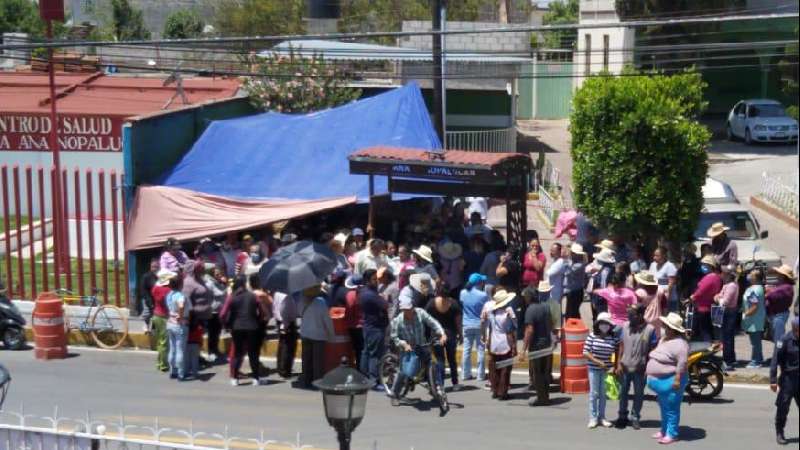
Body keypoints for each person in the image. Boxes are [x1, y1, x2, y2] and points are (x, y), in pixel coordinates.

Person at [389, 292, 447, 406]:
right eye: (406, 309)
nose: (409, 311)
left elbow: (433, 322)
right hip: (407, 349)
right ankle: (394, 394)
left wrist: (442, 333)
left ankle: (434, 390)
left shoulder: (420, 313)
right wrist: (404, 344)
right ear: (402, 310)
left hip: (422, 345)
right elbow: (394, 337)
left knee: (431, 364)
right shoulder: (398, 321)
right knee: (403, 372)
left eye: (410, 308)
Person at [646, 313, 690, 445]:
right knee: (664, 407)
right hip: (660, 381)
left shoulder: (681, 345)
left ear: (673, 329)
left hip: (672, 380)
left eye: (667, 326)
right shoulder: (664, 339)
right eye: (665, 325)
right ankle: (664, 430)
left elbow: (681, 364)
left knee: (671, 409)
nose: (664, 328)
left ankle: (672, 434)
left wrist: (677, 380)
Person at [615, 304, 657, 430]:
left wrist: (649, 368)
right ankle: (622, 416)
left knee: (639, 394)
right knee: (623, 393)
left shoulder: (650, 329)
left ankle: (635, 417)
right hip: (625, 367)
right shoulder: (625, 326)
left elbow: (653, 351)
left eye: (631, 315)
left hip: (640, 369)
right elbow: (621, 346)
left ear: (639, 315)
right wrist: (618, 364)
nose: (629, 317)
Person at [583, 312, 620, 428]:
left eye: (607, 323)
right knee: (594, 394)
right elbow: (585, 352)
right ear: (598, 324)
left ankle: (602, 417)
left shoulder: (613, 337)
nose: (605, 325)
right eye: (603, 323)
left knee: (603, 395)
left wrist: (614, 366)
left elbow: (617, 352)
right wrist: (598, 362)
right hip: (594, 369)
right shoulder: (592, 336)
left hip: (607, 370)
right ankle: (593, 418)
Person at [520, 283, 553, 406]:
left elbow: (529, 330)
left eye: (525, 297)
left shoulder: (530, 310)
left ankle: (541, 398)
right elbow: (550, 324)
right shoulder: (545, 307)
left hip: (537, 346)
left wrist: (523, 349)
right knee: (545, 372)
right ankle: (546, 396)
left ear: (529, 297)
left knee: (537, 373)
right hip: (547, 344)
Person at [483, 289, 517, 400]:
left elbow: (487, 326)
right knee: (505, 369)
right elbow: (511, 329)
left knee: (494, 368)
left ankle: (495, 390)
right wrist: (514, 345)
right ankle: (503, 392)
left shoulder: (492, 313)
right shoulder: (507, 313)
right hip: (505, 342)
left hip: (494, 342)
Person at [298, 284, 335, 389]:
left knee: (306, 360)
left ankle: (306, 381)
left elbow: (299, 313)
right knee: (318, 361)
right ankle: (317, 382)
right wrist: (331, 335)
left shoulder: (302, 301)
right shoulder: (321, 302)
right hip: (318, 335)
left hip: (305, 333)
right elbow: (327, 320)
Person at [426, 290, 462, 391]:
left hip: (436, 334)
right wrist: (461, 334)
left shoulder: (432, 303)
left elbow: (426, 318)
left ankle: (440, 384)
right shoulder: (454, 303)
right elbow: (458, 321)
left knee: (439, 360)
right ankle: (455, 383)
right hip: (450, 334)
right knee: (452, 360)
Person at [770, 317, 799, 445]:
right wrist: (773, 380)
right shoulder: (784, 340)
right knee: (783, 407)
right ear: (795, 329)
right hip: (788, 379)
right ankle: (780, 432)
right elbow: (775, 360)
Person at [359, 269, 389, 386]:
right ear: (367, 281)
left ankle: (364, 377)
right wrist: (383, 298)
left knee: (366, 352)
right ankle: (373, 380)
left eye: (377, 279)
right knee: (374, 355)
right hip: (375, 328)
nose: (377, 281)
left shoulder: (365, 292)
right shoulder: (370, 295)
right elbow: (385, 304)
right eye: (374, 279)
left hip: (369, 326)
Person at [460, 273, 489, 382]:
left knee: (466, 350)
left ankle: (465, 374)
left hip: (466, 324)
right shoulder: (483, 295)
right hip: (479, 325)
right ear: (479, 283)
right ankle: (480, 375)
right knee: (480, 350)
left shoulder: (463, 293)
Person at [689, 255, 723, 342]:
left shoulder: (710, 277)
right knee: (707, 330)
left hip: (702, 307)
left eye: (704, 265)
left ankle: (706, 348)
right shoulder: (717, 277)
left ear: (710, 266)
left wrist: (692, 297)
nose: (702, 266)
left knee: (704, 331)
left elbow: (701, 291)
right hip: (709, 306)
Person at [766, 265, 796, 357]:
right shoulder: (782, 285)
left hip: (779, 316)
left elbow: (771, 295)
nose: (777, 275)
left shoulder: (786, 287)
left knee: (779, 339)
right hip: (776, 315)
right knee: (777, 338)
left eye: (778, 274)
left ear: (783, 276)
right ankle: (779, 355)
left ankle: (778, 357)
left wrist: (768, 291)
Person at [165, 272, 190, 381]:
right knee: (180, 349)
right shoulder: (180, 295)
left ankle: (172, 371)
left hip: (170, 322)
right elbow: (181, 305)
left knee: (172, 348)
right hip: (179, 324)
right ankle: (180, 373)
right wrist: (180, 315)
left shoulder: (169, 295)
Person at [715, 266, 739, 368]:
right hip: (727, 312)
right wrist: (718, 297)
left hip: (729, 312)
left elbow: (724, 301)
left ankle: (728, 361)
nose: (721, 275)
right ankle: (731, 359)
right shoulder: (727, 285)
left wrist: (718, 298)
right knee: (727, 336)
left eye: (723, 273)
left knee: (727, 337)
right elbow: (718, 296)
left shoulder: (732, 286)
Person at [741, 270, 766, 368]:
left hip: (753, 320)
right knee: (756, 341)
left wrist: (745, 314)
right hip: (757, 319)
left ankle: (756, 361)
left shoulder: (753, 290)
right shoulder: (759, 288)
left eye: (751, 274)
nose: (748, 276)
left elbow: (754, 305)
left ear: (755, 278)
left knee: (755, 342)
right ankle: (759, 358)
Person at [202, 266, 227, 363]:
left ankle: (216, 350)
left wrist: (224, 283)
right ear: (212, 274)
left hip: (219, 311)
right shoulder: (209, 283)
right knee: (212, 333)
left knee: (217, 333)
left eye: (220, 274)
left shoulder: (217, 282)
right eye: (217, 274)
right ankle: (211, 352)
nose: (219, 275)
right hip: (212, 312)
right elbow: (219, 294)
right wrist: (227, 287)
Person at [151, 269, 173, 372]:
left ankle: (160, 362)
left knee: (160, 341)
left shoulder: (155, 288)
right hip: (164, 316)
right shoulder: (168, 290)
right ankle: (163, 364)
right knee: (165, 342)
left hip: (156, 315)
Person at [272, 290, 298, 378]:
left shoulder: (277, 294)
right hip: (287, 322)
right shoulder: (287, 296)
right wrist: (286, 324)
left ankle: (281, 368)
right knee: (288, 347)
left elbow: (275, 308)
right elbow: (285, 310)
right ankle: (285, 369)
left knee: (282, 345)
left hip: (280, 321)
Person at [586, 248, 616, 322]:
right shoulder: (611, 268)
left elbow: (603, 286)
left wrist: (596, 300)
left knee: (601, 319)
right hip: (603, 298)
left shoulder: (605, 271)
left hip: (601, 299)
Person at [633, 271, 662, 337]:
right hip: (657, 320)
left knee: (644, 339)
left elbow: (635, 307)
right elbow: (664, 308)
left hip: (644, 319)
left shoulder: (639, 292)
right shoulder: (660, 291)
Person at [649, 246, 678, 313]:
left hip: (668, 299)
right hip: (655, 298)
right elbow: (650, 279)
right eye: (654, 255)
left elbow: (671, 282)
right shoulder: (652, 265)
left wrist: (656, 281)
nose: (654, 258)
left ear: (664, 256)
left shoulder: (670, 266)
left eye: (657, 256)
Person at [545, 242, 567, 326]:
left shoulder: (560, 262)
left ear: (559, 252)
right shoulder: (556, 261)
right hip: (552, 290)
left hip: (556, 292)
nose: (551, 252)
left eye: (553, 250)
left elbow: (549, 272)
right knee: (553, 312)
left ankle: (557, 333)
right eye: (551, 250)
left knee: (555, 313)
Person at [564, 243, 587, 320]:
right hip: (573, 291)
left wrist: (566, 258)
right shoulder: (573, 262)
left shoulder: (580, 264)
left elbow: (568, 272)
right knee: (572, 313)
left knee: (572, 314)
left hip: (576, 292)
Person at [138, 258, 159, 332]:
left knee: (155, 314)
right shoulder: (146, 277)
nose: (154, 269)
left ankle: (153, 327)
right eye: (153, 267)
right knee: (147, 313)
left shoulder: (160, 276)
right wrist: (149, 301)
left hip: (157, 299)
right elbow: (143, 290)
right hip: (148, 298)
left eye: (156, 267)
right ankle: (145, 324)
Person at [185, 312, 203, 380]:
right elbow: (200, 337)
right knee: (195, 360)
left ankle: (186, 372)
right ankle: (195, 374)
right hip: (196, 344)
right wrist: (201, 344)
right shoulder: (199, 327)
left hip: (187, 344)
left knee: (187, 360)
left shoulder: (186, 326)